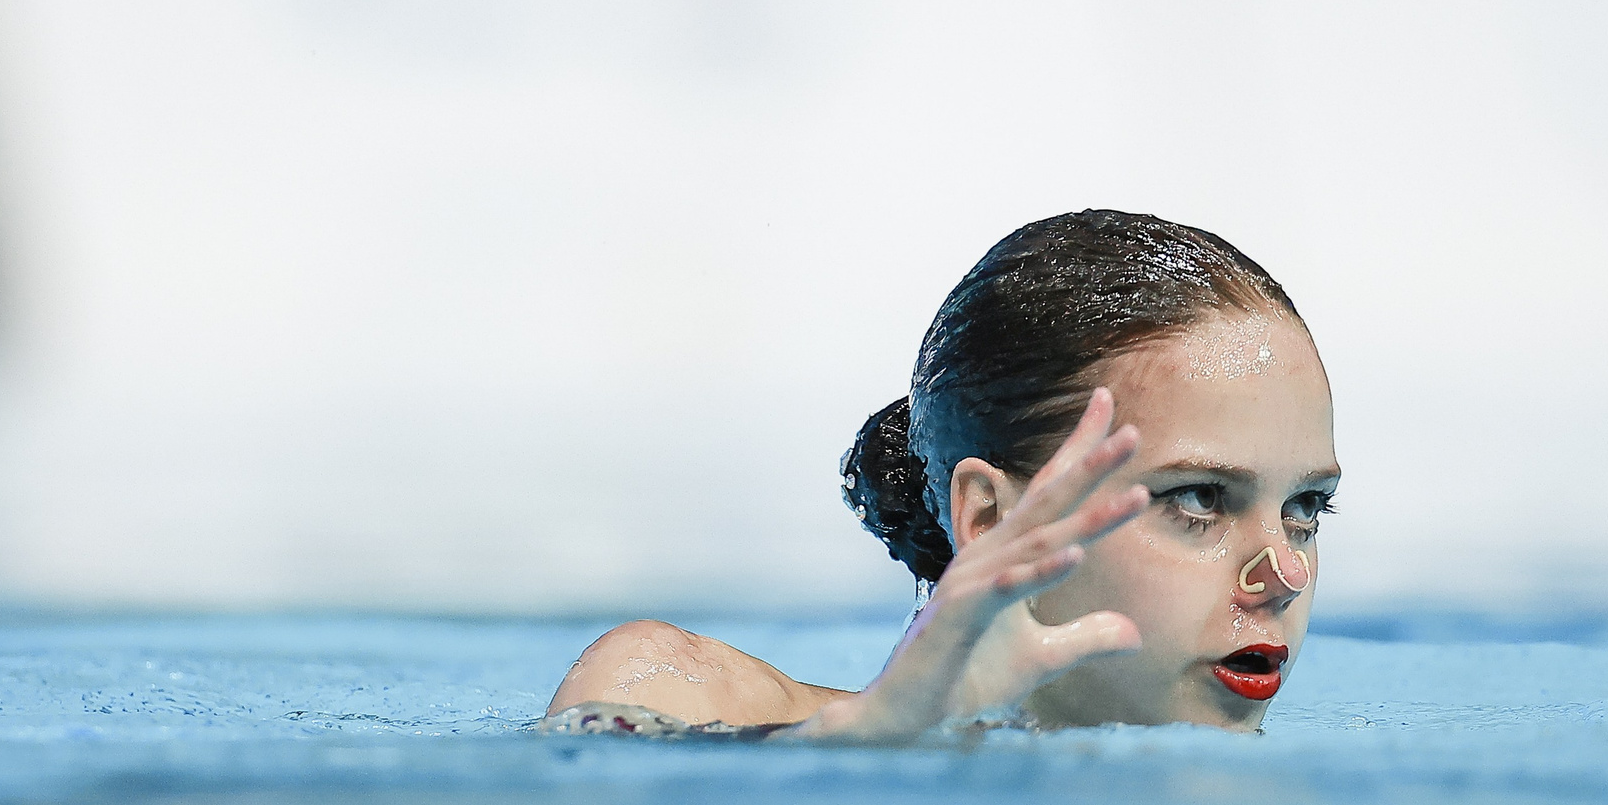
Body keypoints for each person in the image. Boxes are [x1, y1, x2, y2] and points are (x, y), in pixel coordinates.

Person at [543, 208, 1339, 740]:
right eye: (1200, 499)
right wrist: (884, 743)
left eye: (1305, 507)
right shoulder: (676, 689)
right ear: (989, 520)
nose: (1286, 571)